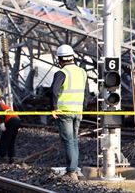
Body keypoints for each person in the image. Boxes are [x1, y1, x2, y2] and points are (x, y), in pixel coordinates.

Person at [51, 44, 87, 181]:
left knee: (68, 141)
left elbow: (54, 91)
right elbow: (86, 93)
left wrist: (54, 107)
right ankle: (75, 169)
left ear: (59, 59)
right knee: (74, 140)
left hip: (64, 111)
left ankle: (71, 172)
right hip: (78, 111)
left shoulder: (62, 72)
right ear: (72, 57)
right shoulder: (82, 72)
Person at [0, 92, 21, 164]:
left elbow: (0, 114)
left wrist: (2, 124)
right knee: (11, 141)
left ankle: (2, 158)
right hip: (16, 120)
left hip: (11, 121)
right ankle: (11, 158)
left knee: (4, 140)